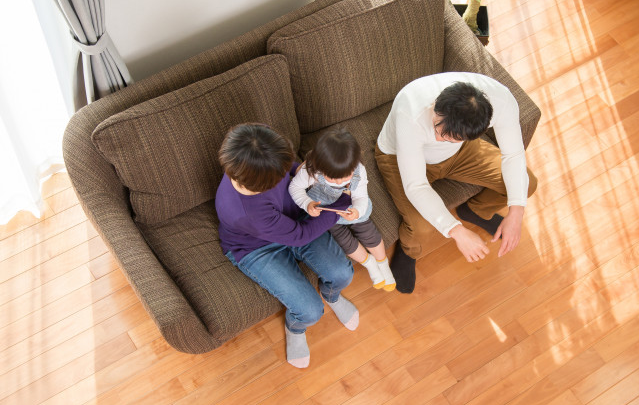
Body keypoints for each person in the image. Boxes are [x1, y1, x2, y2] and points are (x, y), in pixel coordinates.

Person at [375, 72, 538, 293]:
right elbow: (416, 185)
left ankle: (475, 210)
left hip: (459, 154)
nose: (439, 139)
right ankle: (409, 250)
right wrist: (457, 231)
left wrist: (517, 212)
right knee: (421, 227)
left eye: (449, 137)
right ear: (436, 106)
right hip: (402, 156)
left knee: (526, 185)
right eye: (437, 129)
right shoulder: (411, 109)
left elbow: (514, 156)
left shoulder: (502, 100)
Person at [215, 123, 359, 369]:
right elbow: (300, 235)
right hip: (256, 248)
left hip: (293, 218)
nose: (285, 174)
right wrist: (341, 205)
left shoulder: (253, 159)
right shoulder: (245, 212)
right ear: (263, 183)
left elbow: (289, 170)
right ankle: (295, 327)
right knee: (310, 312)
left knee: (342, 274)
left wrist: (305, 172)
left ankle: (331, 295)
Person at [289, 129, 396, 291]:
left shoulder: (358, 170)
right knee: (343, 240)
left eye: (345, 176)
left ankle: (383, 263)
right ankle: (370, 264)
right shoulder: (312, 170)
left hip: (351, 206)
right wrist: (307, 203)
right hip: (327, 210)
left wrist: (357, 211)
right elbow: (295, 187)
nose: (340, 181)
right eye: (333, 178)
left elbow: (360, 196)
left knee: (368, 231)